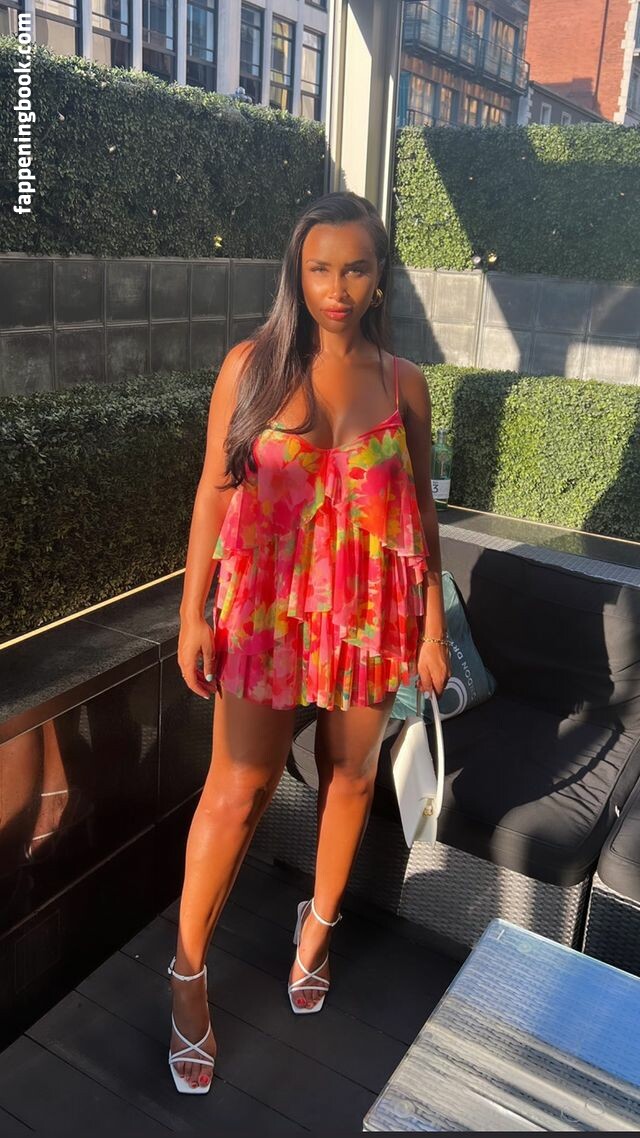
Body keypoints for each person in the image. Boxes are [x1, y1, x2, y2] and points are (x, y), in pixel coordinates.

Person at [168, 190, 451, 1093]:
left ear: (379, 278)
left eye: (355, 268)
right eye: (320, 267)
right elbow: (215, 493)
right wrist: (193, 612)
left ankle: (317, 927)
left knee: (352, 777)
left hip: (370, 611)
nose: (337, 287)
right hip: (265, 608)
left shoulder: (403, 382)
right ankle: (186, 973)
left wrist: (434, 623)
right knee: (238, 789)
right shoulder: (249, 366)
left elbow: (422, 513)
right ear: (297, 272)